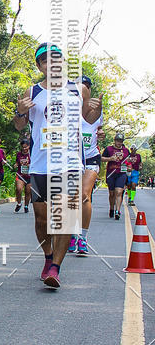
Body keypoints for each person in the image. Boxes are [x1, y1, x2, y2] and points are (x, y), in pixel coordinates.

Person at [13, 43, 102, 289]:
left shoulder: (79, 89)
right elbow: (19, 126)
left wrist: (97, 111)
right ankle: (48, 256)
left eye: (55, 59)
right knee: (42, 220)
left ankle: (56, 267)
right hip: (40, 164)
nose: (51, 64)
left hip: (69, 162)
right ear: (39, 66)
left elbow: (88, 119)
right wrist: (20, 113)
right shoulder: (32, 91)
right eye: (45, 61)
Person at [69, 75, 104, 255]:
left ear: (89, 90)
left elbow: (98, 129)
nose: (83, 89)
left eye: (86, 86)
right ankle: (71, 234)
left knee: (84, 195)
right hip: (72, 158)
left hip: (90, 157)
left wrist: (101, 134)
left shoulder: (96, 108)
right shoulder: (68, 106)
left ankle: (82, 237)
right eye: (79, 86)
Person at [102, 132, 130, 220]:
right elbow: (101, 158)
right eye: (118, 140)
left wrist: (129, 166)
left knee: (119, 192)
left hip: (121, 173)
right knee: (112, 193)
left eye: (121, 141)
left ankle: (117, 211)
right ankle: (111, 208)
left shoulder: (126, 150)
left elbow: (128, 161)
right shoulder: (108, 149)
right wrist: (110, 159)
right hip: (111, 173)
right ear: (115, 140)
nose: (119, 142)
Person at [14, 137, 32, 213]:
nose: (24, 149)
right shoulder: (19, 154)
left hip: (29, 176)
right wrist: (16, 164)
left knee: (28, 191)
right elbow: (17, 162)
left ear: (29, 146)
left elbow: (36, 164)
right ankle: (19, 203)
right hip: (20, 175)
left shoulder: (32, 154)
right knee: (19, 189)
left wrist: (30, 165)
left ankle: (26, 206)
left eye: (26, 147)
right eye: (23, 147)